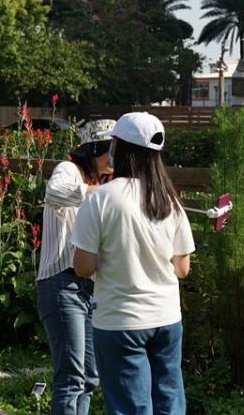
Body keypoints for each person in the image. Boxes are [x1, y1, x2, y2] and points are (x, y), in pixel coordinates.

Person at [71, 112, 195, 415]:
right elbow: (182, 269)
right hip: (167, 318)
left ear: (119, 147)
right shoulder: (170, 200)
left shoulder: (101, 199)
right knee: (169, 403)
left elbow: (82, 267)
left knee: (131, 407)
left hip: (120, 321)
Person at [37, 119, 115, 415]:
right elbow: (54, 193)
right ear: (95, 149)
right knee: (71, 378)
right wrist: (100, 193)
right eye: (111, 150)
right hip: (61, 283)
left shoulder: (109, 183)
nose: (116, 158)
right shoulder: (68, 170)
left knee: (90, 377)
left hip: (91, 287)